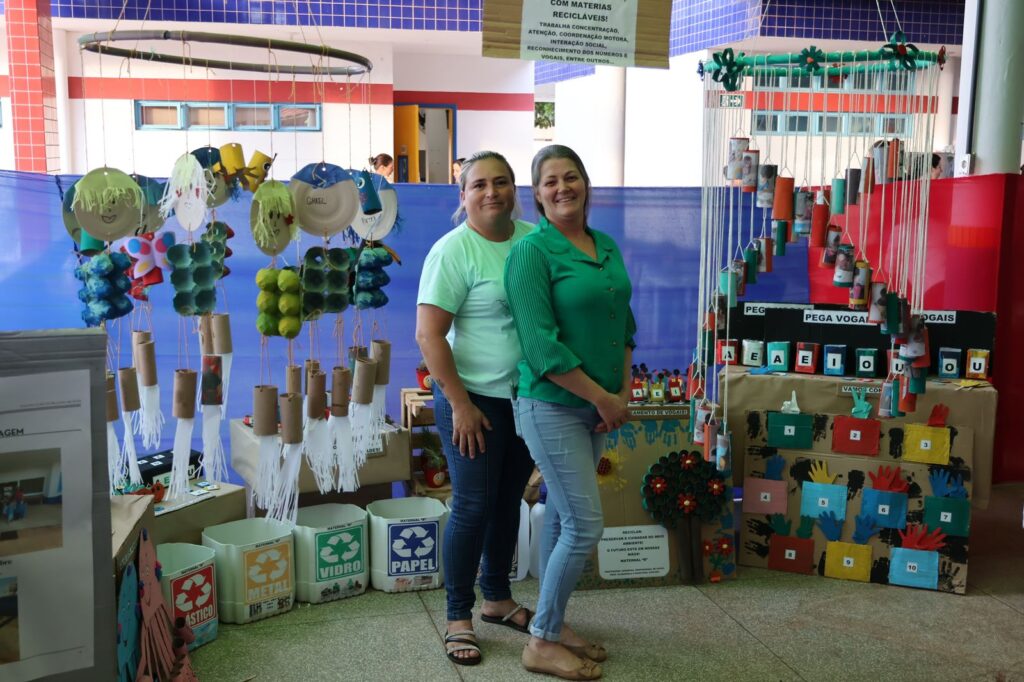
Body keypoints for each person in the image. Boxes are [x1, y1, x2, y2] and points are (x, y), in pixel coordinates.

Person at [505, 144, 635, 681]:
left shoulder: (604, 246)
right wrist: (600, 397)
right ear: (536, 195)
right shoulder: (531, 252)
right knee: (584, 524)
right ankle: (539, 644)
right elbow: (541, 346)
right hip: (552, 406)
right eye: (550, 180)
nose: (563, 187)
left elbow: (624, 325)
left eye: (572, 176)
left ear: (586, 183)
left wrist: (620, 395)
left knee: (562, 519)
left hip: (599, 408)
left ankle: (554, 624)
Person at [415, 151, 536, 667]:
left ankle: (497, 599)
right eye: (480, 184)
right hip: (473, 400)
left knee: (509, 500)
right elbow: (429, 334)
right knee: (471, 505)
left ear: (515, 189)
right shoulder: (453, 251)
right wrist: (460, 404)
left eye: (502, 182)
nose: (492, 192)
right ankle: (458, 615)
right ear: (462, 196)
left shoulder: (535, 240)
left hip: (526, 398)